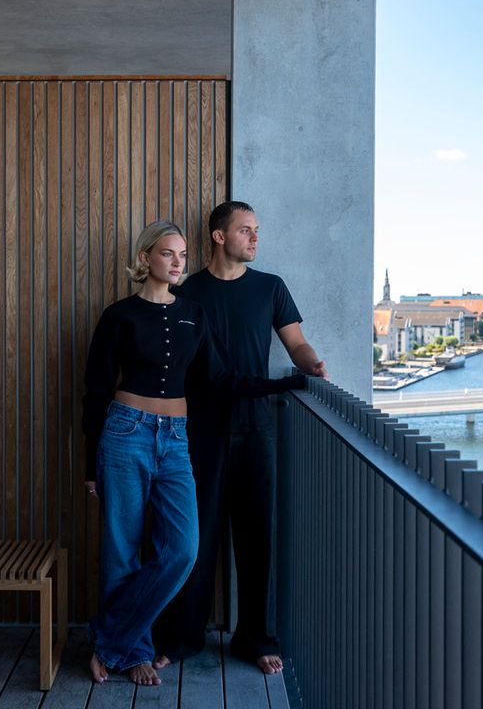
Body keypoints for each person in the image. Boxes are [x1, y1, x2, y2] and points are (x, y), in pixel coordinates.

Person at [82, 219, 305, 686]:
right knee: (122, 549)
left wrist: (286, 380)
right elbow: (95, 392)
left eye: (182, 255)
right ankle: (132, 649)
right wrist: (90, 466)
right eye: (168, 254)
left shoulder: (194, 314)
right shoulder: (118, 315)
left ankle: (109, 637)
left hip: (177, 438)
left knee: (182, 550)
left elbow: (223, 379)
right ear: (146, 259)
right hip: (125, 435)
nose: (178, 263)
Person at [153, 201, 328, 675]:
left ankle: (256, 638)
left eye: (256, 231)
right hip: (198, 432)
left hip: (256, 430)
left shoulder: (271, 288)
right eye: (245, 230)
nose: (254, 238)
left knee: (257, 539)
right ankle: (183, 637)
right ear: (217, 236)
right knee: (194, 539)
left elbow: (296, 343)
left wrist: (311, 364)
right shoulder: (186, 293)